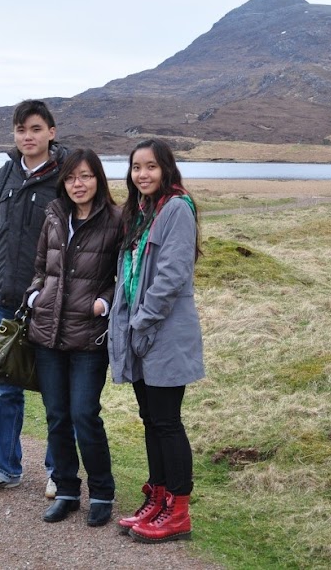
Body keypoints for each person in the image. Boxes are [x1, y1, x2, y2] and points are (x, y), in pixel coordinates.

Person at [0, 99, 67, 496]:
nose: (28, 137)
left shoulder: (68, 177)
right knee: (5, 388)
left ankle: (60, 472)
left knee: (57, 391)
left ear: (51, 132)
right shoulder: (4, 176)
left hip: (54, 303)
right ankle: (3, 466)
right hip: (5, 300)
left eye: (35, 129)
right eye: (21, 130)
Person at [108, 138, 204, 543]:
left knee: (167, 422)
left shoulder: (177, 209)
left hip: (164, 334)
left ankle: (178, 511)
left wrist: (142, 320)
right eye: (135, 168)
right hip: (141, 335)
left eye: (150, 167)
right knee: (151, 420)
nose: (142, 174)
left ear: (166, 169)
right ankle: (158, 496)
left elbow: (172, 275)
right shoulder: (142, 213)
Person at [23, 149, 123, 527]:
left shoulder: (116, 220)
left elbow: (123, 277)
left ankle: (101, 492)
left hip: (89, 337)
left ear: (98, 178)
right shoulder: (54, 217)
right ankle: (66, 490)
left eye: (85, 176)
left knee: (84, 415)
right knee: (57, 416)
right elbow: (38, 268)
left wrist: (104, 302)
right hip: (47, 334)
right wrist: (35, 297)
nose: (77, 184)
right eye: (70, 178)